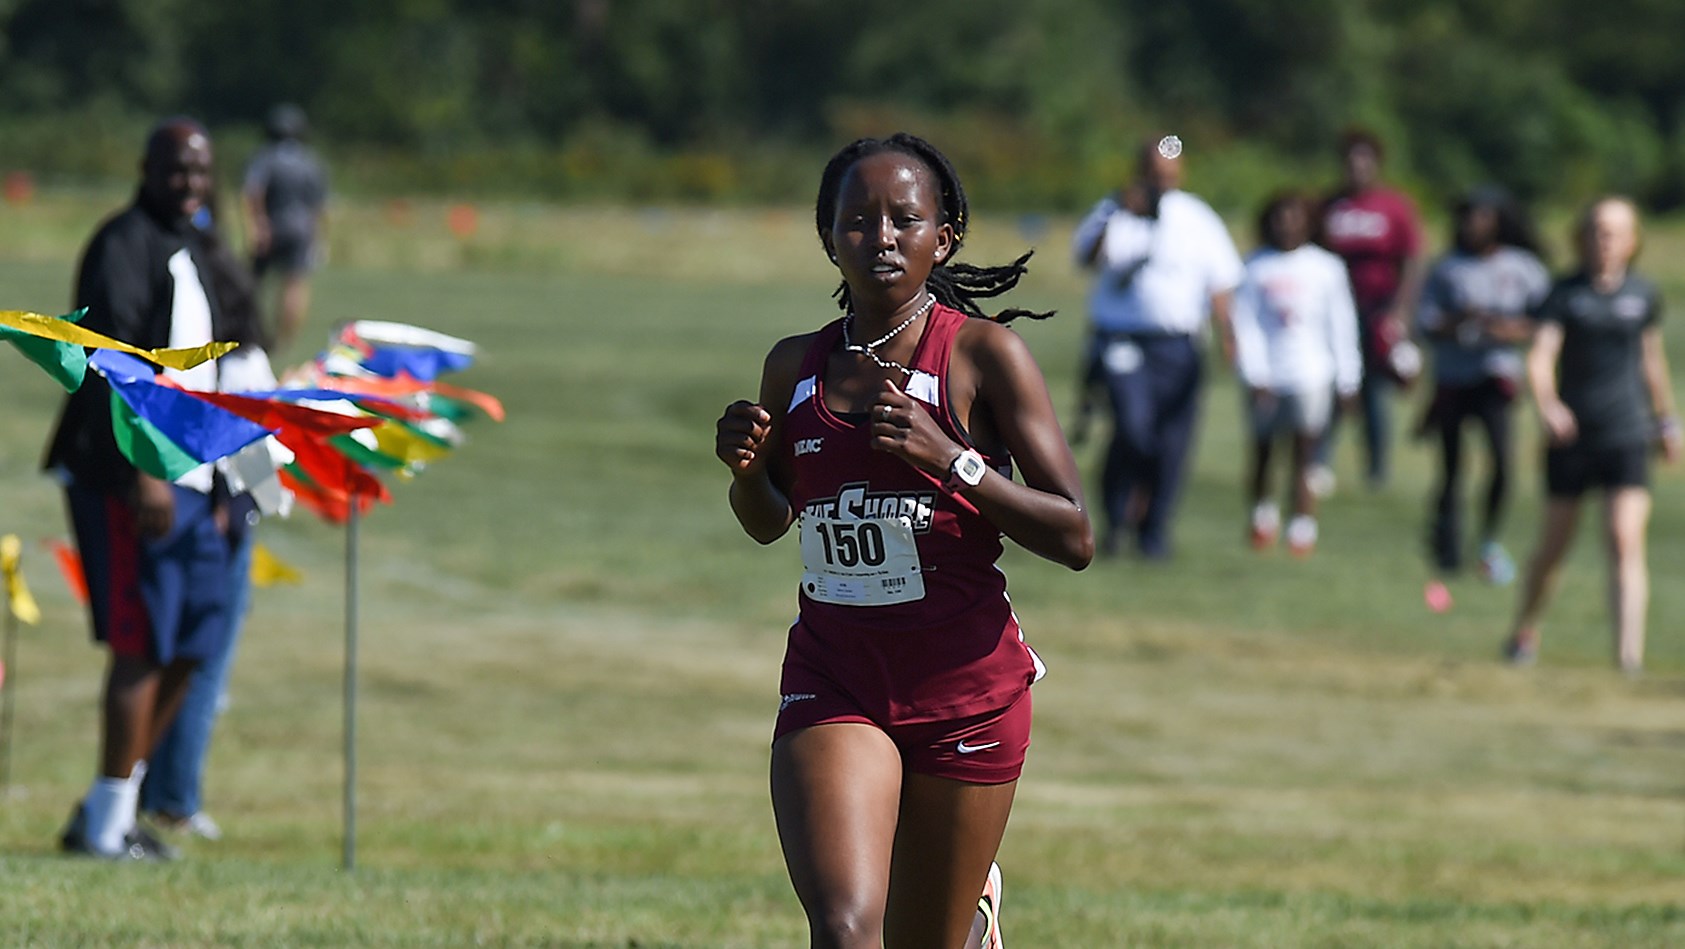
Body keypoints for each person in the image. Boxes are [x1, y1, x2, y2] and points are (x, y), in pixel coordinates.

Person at [715, 132, 1092, 949]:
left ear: (942, 235)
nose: (880, 237)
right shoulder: (795, 366)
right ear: (828, 237)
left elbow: (1073, 533)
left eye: (904, 219)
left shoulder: (983, 356)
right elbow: (770, 519)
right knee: (848, 929)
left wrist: (951, 460)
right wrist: (747, 472)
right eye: (857, 221)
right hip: (837, 674)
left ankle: (970, 921)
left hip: (966, 688)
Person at [43, 118, 241, 860]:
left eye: (200, 169)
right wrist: (140, 473)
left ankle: (113, 807)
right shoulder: (122, 243)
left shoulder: (197, 247)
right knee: (141, 643)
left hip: (196, 478)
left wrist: (225, 481)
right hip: (134, 477)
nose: (189, 182)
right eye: (175, 169)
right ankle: (104, 828)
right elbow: (108, 361)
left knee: (196, 639)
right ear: (146, 169)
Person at [138, 190, 275, 841]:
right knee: (204, 664)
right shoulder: (237, 333)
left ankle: (148, 786)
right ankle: (175, 796)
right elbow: (250, 436)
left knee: (169, 656)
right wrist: (244, 506)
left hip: (184, 494)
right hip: (221, 510)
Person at [1502, 197, 1680, 673]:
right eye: (1597, 231)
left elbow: (1651, 362)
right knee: (1554, 545)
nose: (1605, 241)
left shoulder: (1642, 295)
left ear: (1632, 240)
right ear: (1581, 237)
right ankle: (1525, 628)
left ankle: (1628, 657)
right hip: (1573, 436)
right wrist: (1548, 405)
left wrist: (1667, 421)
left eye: (1615, 232)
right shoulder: (1563, 294)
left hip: (1627, 432)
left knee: (1624, 539)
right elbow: (1540, 356)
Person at [1072, 135, 1243, 559]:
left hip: (1178, 344)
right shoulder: (1115, 210)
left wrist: (1229, 336)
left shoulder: (1198, 217)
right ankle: (1115, 517)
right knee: (1133, 429)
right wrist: (1117, 211)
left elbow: (1221, 283)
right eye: (1154, 174)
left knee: (1172, 443)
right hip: (1123, 340)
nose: (1161, 183)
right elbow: (1086, 258)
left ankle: (1154, 530)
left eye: (1169, 175)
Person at [1415, 187, 1550, 594]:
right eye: (1466, 216)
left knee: (1502, 465)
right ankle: (1447, 541)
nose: (1471, 224)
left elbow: (1545, 320)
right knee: (1452, 466)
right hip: (1454, 379)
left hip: (1497, 378)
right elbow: (1426, 322)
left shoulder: (1522, 267)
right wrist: (1460, 321)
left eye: (1481, 216)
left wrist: (1502, 327)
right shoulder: (1447, 269)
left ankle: (1488, 540)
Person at [1231, 192, 1362, 557]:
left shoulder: (1326, 267)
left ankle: (1303, 526)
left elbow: (1341, 325)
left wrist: (1348, 377)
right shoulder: (1255, 266)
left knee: (1306, 453)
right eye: (1279, 217)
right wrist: (1255, 372)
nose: (1286, 225)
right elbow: (1245, 323)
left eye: (1294, 217)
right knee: (1263, 451)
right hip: (1268, 375)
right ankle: (1262, 516)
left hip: (1311, 372)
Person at [1314, 128, 1426, 493]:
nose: (1357, 167)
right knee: (1332, 383)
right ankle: (1319, 463)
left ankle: (1376, 469)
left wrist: (1401, 311)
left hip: (1377, 309)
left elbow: (1411, 259)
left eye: (1364, 160)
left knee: (1375, 389)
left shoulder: (1393, 206)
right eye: (1351, 161)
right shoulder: (1329, 206)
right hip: (1333, 309)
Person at [243, 103, 328, 352]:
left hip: (272, 227)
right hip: (302, 229)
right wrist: (318, 237)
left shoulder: (266, 157)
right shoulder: (311, 161)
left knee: (252, 283)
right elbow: (319, 205)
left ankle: (250, 329)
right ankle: (285, 337)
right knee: (294, 284)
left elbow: (253, 192)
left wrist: (258, 225)